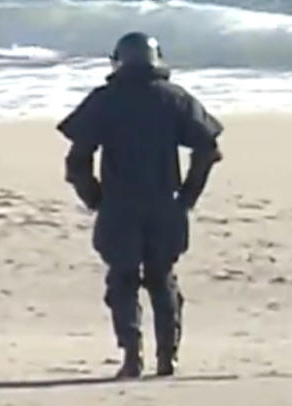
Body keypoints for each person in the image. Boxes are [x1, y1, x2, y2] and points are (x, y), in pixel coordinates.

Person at [56, 32, 223, 379]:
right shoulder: (175, 99)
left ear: (119, 60)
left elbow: (76, 163)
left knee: (123, 279)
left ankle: (132, 356)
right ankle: (167, 357)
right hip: (165, 204)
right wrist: (188, 197)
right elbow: (207, 150)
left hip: (119, 206)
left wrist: (95, 199)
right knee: (162, 278)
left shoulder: (104, 100)